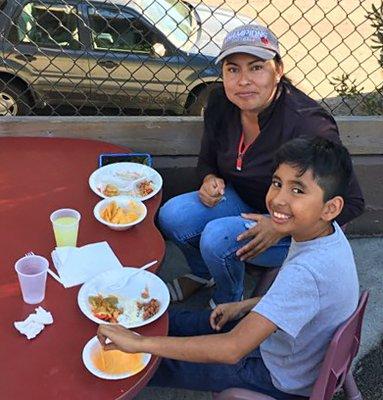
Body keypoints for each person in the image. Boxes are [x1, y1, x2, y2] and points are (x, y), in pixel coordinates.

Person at [97, 136, 360, 399]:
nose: (278, 199)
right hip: (289, 347)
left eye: (298, 190)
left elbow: (231, 349)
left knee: (147, 363)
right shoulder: (328, 235)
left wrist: (140, 344)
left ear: (331, 208)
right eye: (277, 183)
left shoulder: (306, 273)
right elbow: (303, 300)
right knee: (170, 320)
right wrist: (245, 305)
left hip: (276, 374)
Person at [157, 24, 364, 307]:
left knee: (216, 238)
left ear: (277, 70)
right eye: (233, 69)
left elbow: (352, 203)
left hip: (291, 225)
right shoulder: (220, 103)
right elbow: (207, 160)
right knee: (172, 215)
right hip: (245, 201)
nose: (243, 81)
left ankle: (229, 301)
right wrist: (208, 179)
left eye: (256, 68)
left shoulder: (309, 125)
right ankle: (204, 274)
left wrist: (280, 227)